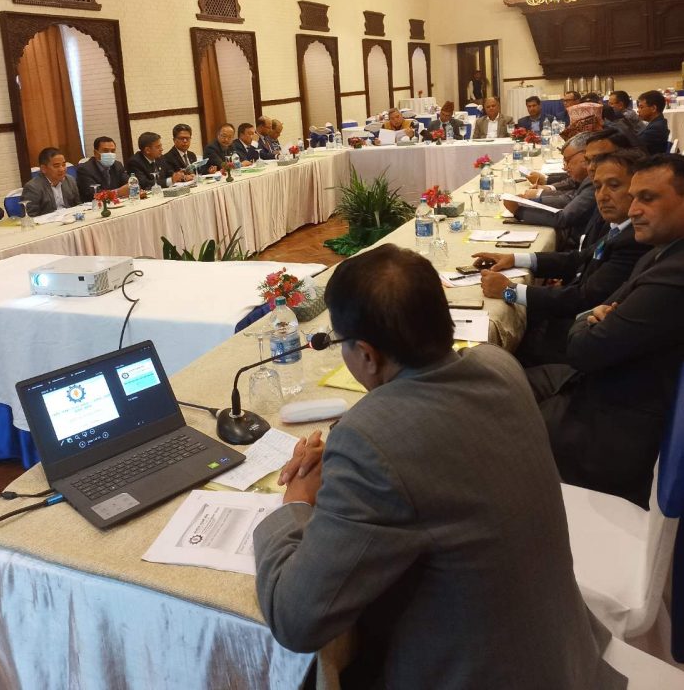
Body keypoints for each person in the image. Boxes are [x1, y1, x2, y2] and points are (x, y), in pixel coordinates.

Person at [253, 245, 624, 690]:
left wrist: (296, 503)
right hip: (560, 655)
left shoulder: (371, 441)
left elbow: (295, 620)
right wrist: (342, 463)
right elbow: (431, 456)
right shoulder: (499, 366)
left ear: (367, 355)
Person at [525, 154, 684, 509]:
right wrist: (591, 320)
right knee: (500, 376)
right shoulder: (659, 252)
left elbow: (584, 350)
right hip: (604, 382)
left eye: (648, 198)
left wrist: (587, 322)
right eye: (634, 197)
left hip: (612, 428)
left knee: (488, 421)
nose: (634, 209)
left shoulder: (674, 276)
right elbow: (596, 311)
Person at [476, 150, 650, 365]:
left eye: (614, 186)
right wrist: (514, 258)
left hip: (576, 339)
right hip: (569, 321)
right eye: (597, 187)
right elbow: (577, 259)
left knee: (488, 358)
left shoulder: (634, 239)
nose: (602, 195)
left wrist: (509, 291)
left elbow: (583, 298)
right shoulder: (619, 227)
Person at [504, 133, 596, 248]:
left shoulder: (596, 180)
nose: (565, 167)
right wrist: (535, 198)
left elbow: (563, 218)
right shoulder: (588, 177)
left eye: (567, 160)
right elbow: (572, 194)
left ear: (584, 155)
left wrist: (519, 210)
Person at [21, 147, 81, 216]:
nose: (62, 169)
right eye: (56, 166)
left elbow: (78, 206)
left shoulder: (70, 180)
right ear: (43, 169)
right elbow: (30, 216)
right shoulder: (33, 187)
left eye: (64, 165)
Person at [76, 137, 130, 202]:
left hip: (117, 203)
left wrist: (130, 187)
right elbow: (93, 194)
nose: (110, 154)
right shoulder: (84, 169)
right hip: (94, 206)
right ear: (95, 153)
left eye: (113, 151)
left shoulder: (117, 165)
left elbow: (129, 185)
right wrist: (117, 192)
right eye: (106, 151)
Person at [637, 89, 670, 154]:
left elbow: (635, 144)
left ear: (653, 108)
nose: (638, 111)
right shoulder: (658, 122)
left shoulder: (656, 128)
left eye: (641, 107)